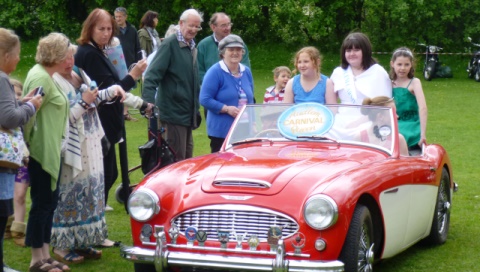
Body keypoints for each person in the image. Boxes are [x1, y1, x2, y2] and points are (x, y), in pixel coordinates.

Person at [75, 8, 151, 232]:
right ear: (90, 29)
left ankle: (95, 226)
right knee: (103, 175)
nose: (106, 33)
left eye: (109, 29)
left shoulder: (98, 51)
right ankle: (92, 226)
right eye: (101, 29)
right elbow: (110, 92)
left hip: (106, 122)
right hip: (98, 123)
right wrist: (134, 75)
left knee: (109, 173)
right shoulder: (89, 53)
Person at [51, 50, 126, 264]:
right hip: (73, 146)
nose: (68, 61)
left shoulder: (78, 73)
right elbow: (61, 119)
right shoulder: (53, 82)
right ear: (52, 59)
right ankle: (63, 245)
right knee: (71, 193)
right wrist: (84, 102)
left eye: (70, 56)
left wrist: (111, 91)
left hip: (92, 141)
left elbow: (94, 98)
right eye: (62, 57)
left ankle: (83, 241)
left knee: (90, 192)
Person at [23, 32, 72, 272]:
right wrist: (27, 147)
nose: (69, 58)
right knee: (41, 204)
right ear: (57, 55)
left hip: (52, 149)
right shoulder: (40, 76)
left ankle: (45, 253)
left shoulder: (48, 75)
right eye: (66, 53)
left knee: (49, 203)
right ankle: (35, 260)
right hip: (40, 151)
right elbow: (29, 115)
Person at [0, 28, 40, 272]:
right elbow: (9, 118)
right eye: (16, 54)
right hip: (3, 162)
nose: (17, 59)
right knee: (2, 212)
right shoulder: (2, 78)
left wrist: (19, 102)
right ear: (5, 55)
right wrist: (32, 106)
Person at [143, 8, 203, 161]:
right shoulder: (170, 45)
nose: (194, 29)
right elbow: (151, 75)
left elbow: (191, 81)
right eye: (191, 25)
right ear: (181, 24)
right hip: (173, 114)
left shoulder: (191, 46)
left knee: (187, 160)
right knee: (176, 162)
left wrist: (196, 108)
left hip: (187, 114)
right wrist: (148, 103)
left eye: (197, 26)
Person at [200, 34, 254, 153]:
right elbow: (204, 99)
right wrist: (226, 109)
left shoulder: (246, 71)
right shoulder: (215, 72)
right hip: (222, 131)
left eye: (238, 50)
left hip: (244, 128)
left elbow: (251, 100)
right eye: (231, 49)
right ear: (223, 52)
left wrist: (253, 123)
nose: (235, 53)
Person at [330, 32, 392, 105]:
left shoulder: (378, 72)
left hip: (371, 115)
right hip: (343, 115)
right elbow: (331, 103)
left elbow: (386, 103)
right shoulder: (338, 72)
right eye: (348, 51)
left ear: (365, 51)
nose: (352, 54)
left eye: (356, 50)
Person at [390, 47, 427, 151]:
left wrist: (423, 134)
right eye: (399, 64)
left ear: (411, 65)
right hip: (395, 123)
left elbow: (423, 108)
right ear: (392, 64)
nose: (403, 68)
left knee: (401, 138)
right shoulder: (389, 84)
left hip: (411, 125)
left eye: (406, 64)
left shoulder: (414, 82)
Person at [197, 12, 251, 83]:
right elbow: (199, 71)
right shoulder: (203, 45)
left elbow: (245, 68)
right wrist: (212, 84)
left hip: (234, 87)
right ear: (213, 27)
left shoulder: (239, 44)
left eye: (229, 24)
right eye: (223, 25)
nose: (227, 28)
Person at [9, 78, 29, 248]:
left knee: (20, 194)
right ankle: (9, 225)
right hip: (6, 160)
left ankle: (18, 230)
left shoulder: (25, 113)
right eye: (12, 94)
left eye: (19, 94)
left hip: (23, 159)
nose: (16, 98)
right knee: (8, 195)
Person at [114, 6, 143, 121]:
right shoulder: (112, 30)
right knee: (119, 87)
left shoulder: (132, 30)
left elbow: (137, 47)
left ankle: (124, 113)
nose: (118, 19)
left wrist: (138, 63)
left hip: (130, 63)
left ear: (125, 17)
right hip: (117, 64)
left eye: (120, 17)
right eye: (116, 17)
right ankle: (121, 113)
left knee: (128, 88)